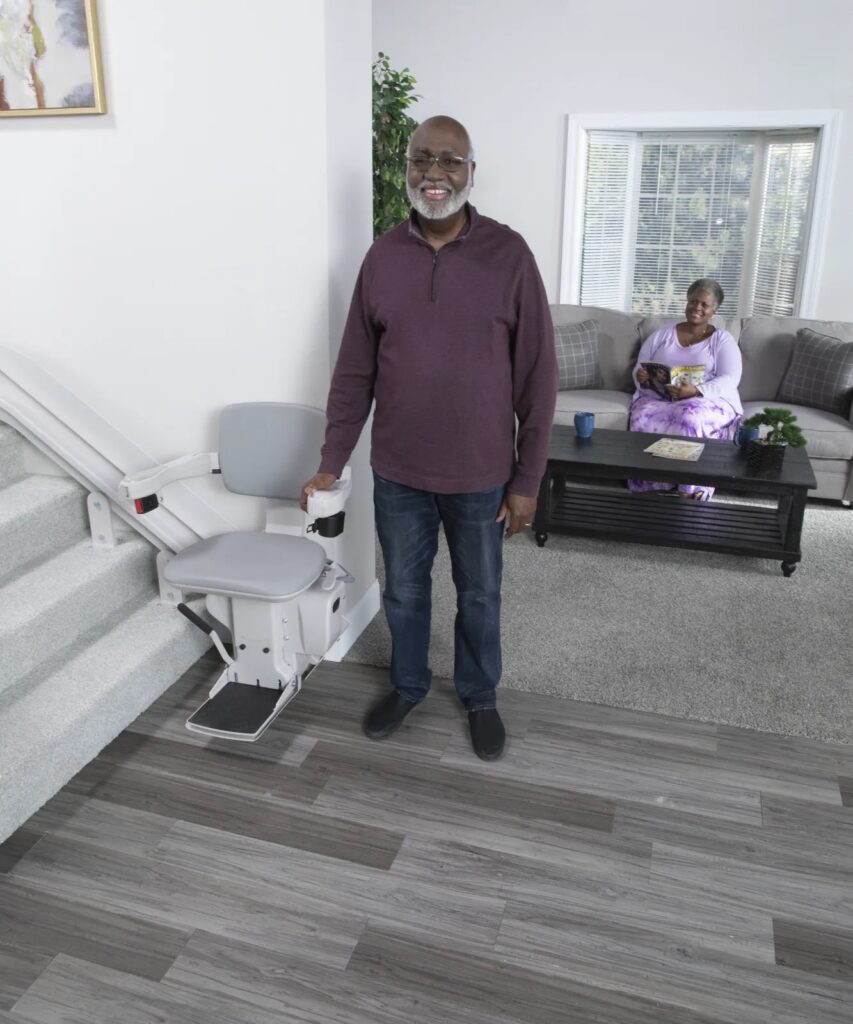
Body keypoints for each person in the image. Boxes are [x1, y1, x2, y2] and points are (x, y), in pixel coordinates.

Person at [300, 115, 557, 761]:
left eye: (448, 161)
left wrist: (527, 481)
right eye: (421, 160)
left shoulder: (510, 255)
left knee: (479, 593)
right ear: (406, 168)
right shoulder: (382, 257)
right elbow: (354, 369)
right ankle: (408, 685)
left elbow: (538, 376)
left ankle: (479, 695)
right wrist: (331, 461)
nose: (433, 174)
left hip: (480, 474)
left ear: (472, 171)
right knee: (406, 590)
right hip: (399, 471)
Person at [629, 279, 742, 499]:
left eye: (704, 304)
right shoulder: (662, 335)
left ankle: (689, 490)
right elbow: (639, 367)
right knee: (642, 416)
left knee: (690, 417)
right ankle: (651, 486)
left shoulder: (722, 340)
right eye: (693, 301)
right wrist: (640, 376)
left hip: (705, 401)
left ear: (714, 310)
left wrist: (697, 391)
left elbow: (730, 378)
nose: (696, 308)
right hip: (659, 398)